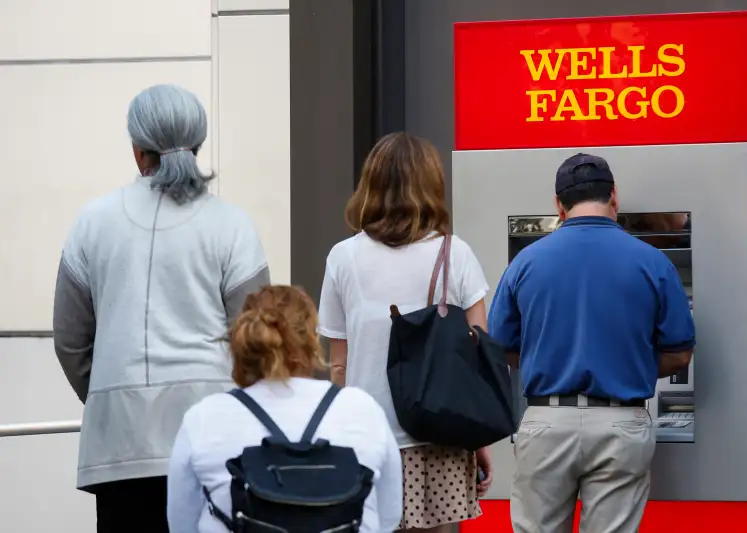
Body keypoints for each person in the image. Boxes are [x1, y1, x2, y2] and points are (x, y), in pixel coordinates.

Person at [53, 84, 269, 533]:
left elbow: (71, 340)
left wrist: (110, 392)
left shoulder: (91, 223)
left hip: (119, 446)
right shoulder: (232, 225)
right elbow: (258, 343)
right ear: (197, 144)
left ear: (137, 151)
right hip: (215, 439)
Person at [488, 153, 695, 533]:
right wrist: (631, 365)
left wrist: (544, 359)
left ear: (558, 204)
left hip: (546, 420)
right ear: (614, 195)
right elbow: (680, 352)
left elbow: (498, 343)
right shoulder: (654, 262)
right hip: (622, 421)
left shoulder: (525, 262)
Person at [317, 132, 493, 532]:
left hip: (370, 442)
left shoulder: (343, 258)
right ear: (432, 186)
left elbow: (339, 367)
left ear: (370, 186)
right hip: (444, 441)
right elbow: (479, 358)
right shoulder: (455, 253)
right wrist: (479, 441)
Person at [166, 285, 404, 533]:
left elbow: (182, 522)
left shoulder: (205, 418)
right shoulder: (361, 409)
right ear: (312, 338)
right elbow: (389, 514)